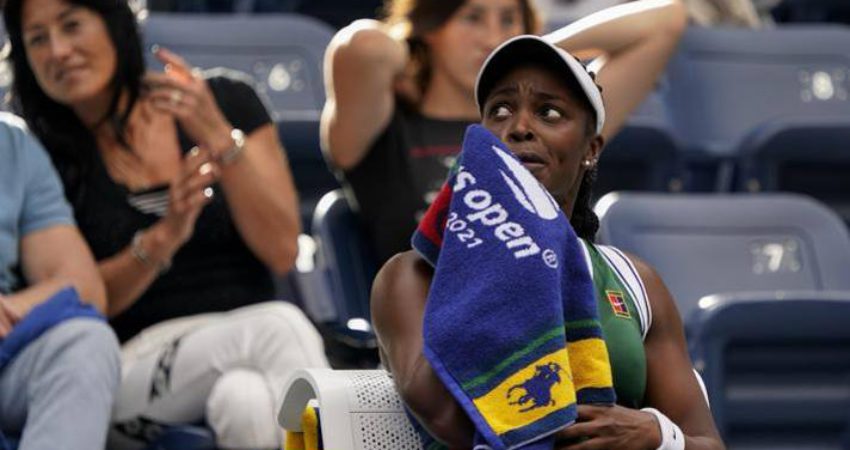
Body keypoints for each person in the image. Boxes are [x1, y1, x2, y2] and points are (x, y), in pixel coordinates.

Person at [370, 35, 725, 449]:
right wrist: (504, 256)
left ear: (591, 149)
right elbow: (449, 416)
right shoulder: (411, 276)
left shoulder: (635, 283)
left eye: (549, 112)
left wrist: (655, 435)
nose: (519, 127)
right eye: (500, 111)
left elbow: (707, 443)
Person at [3, 0, 329, 448]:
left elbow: (282, 251)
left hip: (244, 337)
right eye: (37, 39)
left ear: (113, 24)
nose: (58, 50)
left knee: (247, 404)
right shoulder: (38, 152)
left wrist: (219, 139)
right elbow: (82, 295)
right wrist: (165, 236)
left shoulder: (224, 102)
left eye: (72, 25)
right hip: (125, 363)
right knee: (280, 327)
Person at [322, 0, 688, 267]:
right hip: (430, 322)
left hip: (553, 318)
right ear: (431, 25)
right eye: (473, 18)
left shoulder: (546, 125)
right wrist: (417, 50)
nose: (492, 38)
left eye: (509, 20)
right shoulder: (385, 127)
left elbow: (665, 20)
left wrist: (526, 54)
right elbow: (365, 46)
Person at [0, 113, 120, 449]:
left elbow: (83, 286)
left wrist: (9, 307)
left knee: (86, 343)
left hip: (6, 357)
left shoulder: (13, 145)